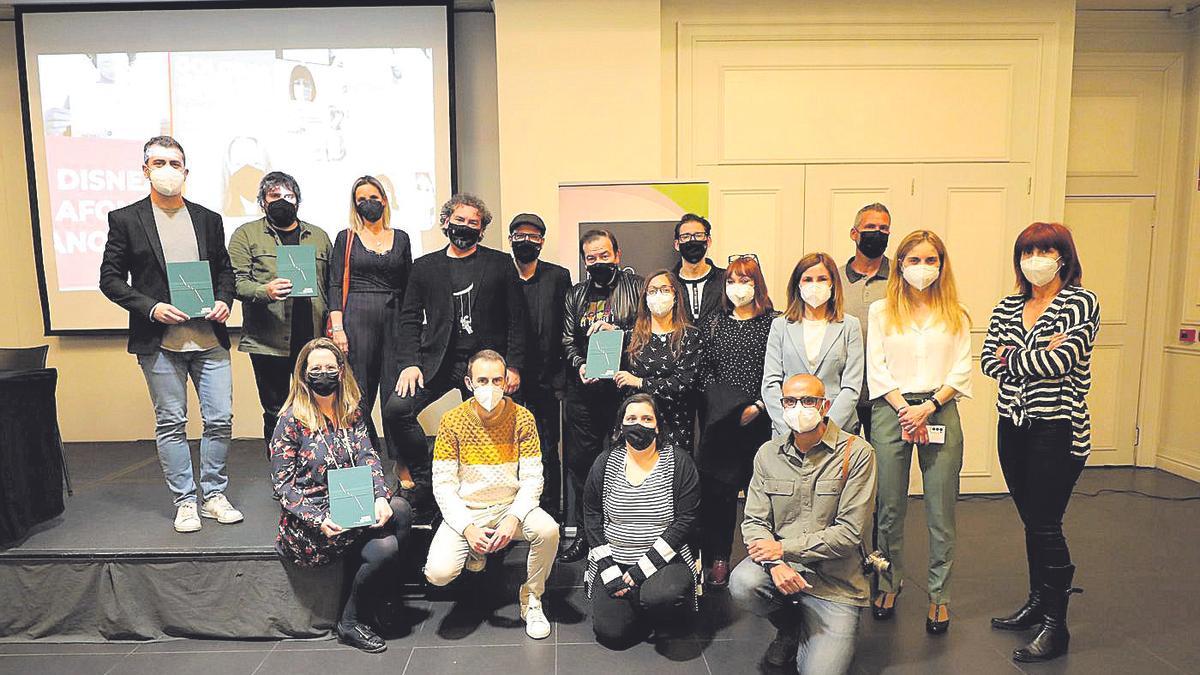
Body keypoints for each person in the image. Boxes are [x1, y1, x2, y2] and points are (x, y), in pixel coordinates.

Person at [99, 135, 242, 533]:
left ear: (186, 171)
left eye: (174, 163)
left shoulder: (208, 219)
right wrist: (151, 307)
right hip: (159, 342)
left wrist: (225, 300)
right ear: (145, 169)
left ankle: (213, 494)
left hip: (208, 339)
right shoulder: (126, 219)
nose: (167, 171)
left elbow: (225, 272)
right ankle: (185, 501)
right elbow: (109, 279)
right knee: (171, 422)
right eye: (158, 163)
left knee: (220, 420)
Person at [982, 222, 1098, 663]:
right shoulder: (1009, 305)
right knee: (1031, 519)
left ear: (1063, 256)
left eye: (1044, 251)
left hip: (1058, 426)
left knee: (1047, 523)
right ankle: (1037, 602)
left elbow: (1062, 360)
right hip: (1012, 426)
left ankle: (1056, 625)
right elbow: (988, 361)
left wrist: (1013, 357)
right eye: (1027, 252)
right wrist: (1029, 356)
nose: (1035, 260)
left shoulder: (1080, 302)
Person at [386, 194, 529, 520]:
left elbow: (517, 319)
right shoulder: (424, 267)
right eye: (459, 220)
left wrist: (514, 366)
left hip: (485, 366)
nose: (465, 227)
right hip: (437, 361)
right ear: (446, 222)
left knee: (488, 428)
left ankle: (484, 496)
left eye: (473, 224)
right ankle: (425, 477)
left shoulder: (499, 263)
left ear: (482, 231)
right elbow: (409, 319)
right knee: (397, 409)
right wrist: (409, 362)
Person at [269, 338, 412, 653]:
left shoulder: (352, 411)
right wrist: (320, 519)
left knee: (400, 508)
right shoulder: (291, 420)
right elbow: (284, 486)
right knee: (385, 547)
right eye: (316, 368)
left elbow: (369, 458)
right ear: (304, 374)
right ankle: (349, 621)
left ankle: (385, 598)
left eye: (330, 368)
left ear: (341, 371)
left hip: (353, 501)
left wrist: (378, 497)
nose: (324, 374)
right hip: (313, 522)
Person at [730, 374, 876, 675]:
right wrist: (774, 562)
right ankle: (790, 627)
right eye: (790, 401)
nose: (799, 408)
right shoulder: (768, 454)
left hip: (836, 583)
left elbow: (849, 533)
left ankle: (819, 629)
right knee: (744, 582)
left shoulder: (858, 453)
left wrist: (782, 549)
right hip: (783, 572)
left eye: (808, 400)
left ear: (825, 406)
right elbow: (754, 521)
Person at [866, 230, 971, 634]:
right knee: (889, 506)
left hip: (939, 409)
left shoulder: (956, 313)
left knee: (940, 508)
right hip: (892, 410)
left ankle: (939, 595)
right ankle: (888, 583)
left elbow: (962, 369)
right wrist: (906, 410)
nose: (922, 268)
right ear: (900, 265)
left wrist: (927, 407)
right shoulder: (880, 311)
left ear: (941, 265)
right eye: (914, 260)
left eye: (930, 260)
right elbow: (877, 366)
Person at [423, 350, 559, 641]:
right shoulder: (452, 421)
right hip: (469, 509)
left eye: (497, 380)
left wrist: (513, 518)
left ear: (506, 381)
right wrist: (468, 528)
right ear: (469, 383)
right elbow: (443, 484)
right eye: (482, 380)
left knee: (548, 531)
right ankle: (475, 548)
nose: (490, 387)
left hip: (509, 505)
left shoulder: (522, 418)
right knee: (437, 573)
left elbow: (533, 477)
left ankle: (532, 599)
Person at [584, 393, 700, 649]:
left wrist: (640, 571)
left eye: (647, 418)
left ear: (658, 426)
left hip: (665, 562)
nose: (639, 425)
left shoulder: (679, 462)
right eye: (632, 418)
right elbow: (592, 517)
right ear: (621, 426)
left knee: (662, 596)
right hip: (616, 560)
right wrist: (609, 569)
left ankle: (655, 603)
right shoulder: (605, 462)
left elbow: (685, 521)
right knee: (611, 634)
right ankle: (641, 605)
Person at [558, 229, 643, 563]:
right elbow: (567, 339)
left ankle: (629, 534)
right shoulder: (576, 294)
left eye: (604, 256)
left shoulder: (637, 289)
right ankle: (584, 536)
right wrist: (579, 364)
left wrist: (619, 334)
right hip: (585, 392)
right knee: (583, 466)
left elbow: (653, 330)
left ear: (618, 255)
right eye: (590, 258)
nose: (598, 263)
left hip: (627, 391)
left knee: (630, 461)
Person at [229, 171, 332, 442]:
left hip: (312, 340)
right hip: (267, 340)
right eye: (274, 196)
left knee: (317, 407)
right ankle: (281, 474)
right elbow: (235, 283)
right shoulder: (246, 235)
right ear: (263, 201)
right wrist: (265, 291)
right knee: (275, 411)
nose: (282, 201)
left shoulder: (319, 236)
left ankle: (315, 470)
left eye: (289, 196)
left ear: (298, 200)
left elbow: (332, 285)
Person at [696, 255, 778, 587]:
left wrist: (758, 405)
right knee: (720, 494)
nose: (737, 288)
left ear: (757, 285)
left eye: (745, 281)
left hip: (761, 419)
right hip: (721, 422)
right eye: (732, 281)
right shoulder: (713, 323)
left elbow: (779, 370)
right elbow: (703, 372)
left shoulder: (775, 323)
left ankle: (766, 557)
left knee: (764, 493)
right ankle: (719, 557)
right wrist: (724, 408)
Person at [327, 176, 412, 464]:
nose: (368, 204)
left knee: (396, 396)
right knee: (358, 394)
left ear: (385, 200)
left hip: (395, 318)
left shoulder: (401, 237)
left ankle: (401, 464)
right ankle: (367, 459)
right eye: (361, 199)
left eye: (373, 197)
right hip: (357, 318)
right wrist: (338, 328)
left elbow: (410, 283)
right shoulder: (346, 237)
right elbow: (336, 284)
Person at [509, 213, 572, 520]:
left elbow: (566, 325)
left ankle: (550, 514)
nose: (526, 242)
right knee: (512, 450)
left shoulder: (558, 276)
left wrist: (561, 378)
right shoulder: (500, 274)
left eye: (533, 237)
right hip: (509, 378)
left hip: (548, 379)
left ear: (542, 242)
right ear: (510, 240)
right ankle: (513, 512)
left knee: (547, 448)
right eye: (520, 236)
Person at [763, 252, 864, 437]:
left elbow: (852, 387)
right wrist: (789, 426)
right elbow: (770, 383)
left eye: (822, 279)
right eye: (808, 279)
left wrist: (824, 429)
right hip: (787, 428)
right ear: (798, 284)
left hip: (837, 429)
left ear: (832, 284)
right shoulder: (780, 325)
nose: (814, 285)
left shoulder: (850, 325)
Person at [614, 271, 704, 451]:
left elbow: (683, 384)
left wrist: (640, 382)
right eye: (652, 291)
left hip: (675, 426)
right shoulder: (631, 336)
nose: (658, 296)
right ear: (645, 297)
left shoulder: (690, 336)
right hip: (637, 426)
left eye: (664, 290)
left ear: (675, 296)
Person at [838, 203, 892, 438]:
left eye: (884, 228)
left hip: (887, 394)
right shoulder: (834, 280)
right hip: (843, 391)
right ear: (854, 233)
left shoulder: (901, 279)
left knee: (883, 467)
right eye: (870, 227)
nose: (877, 233)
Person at [670, 213, 726, 324]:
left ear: (708, 241)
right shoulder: (668, 282)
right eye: (685, 236)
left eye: (698, 235)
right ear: (677, 244)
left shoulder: (726, 279)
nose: (692, 240)